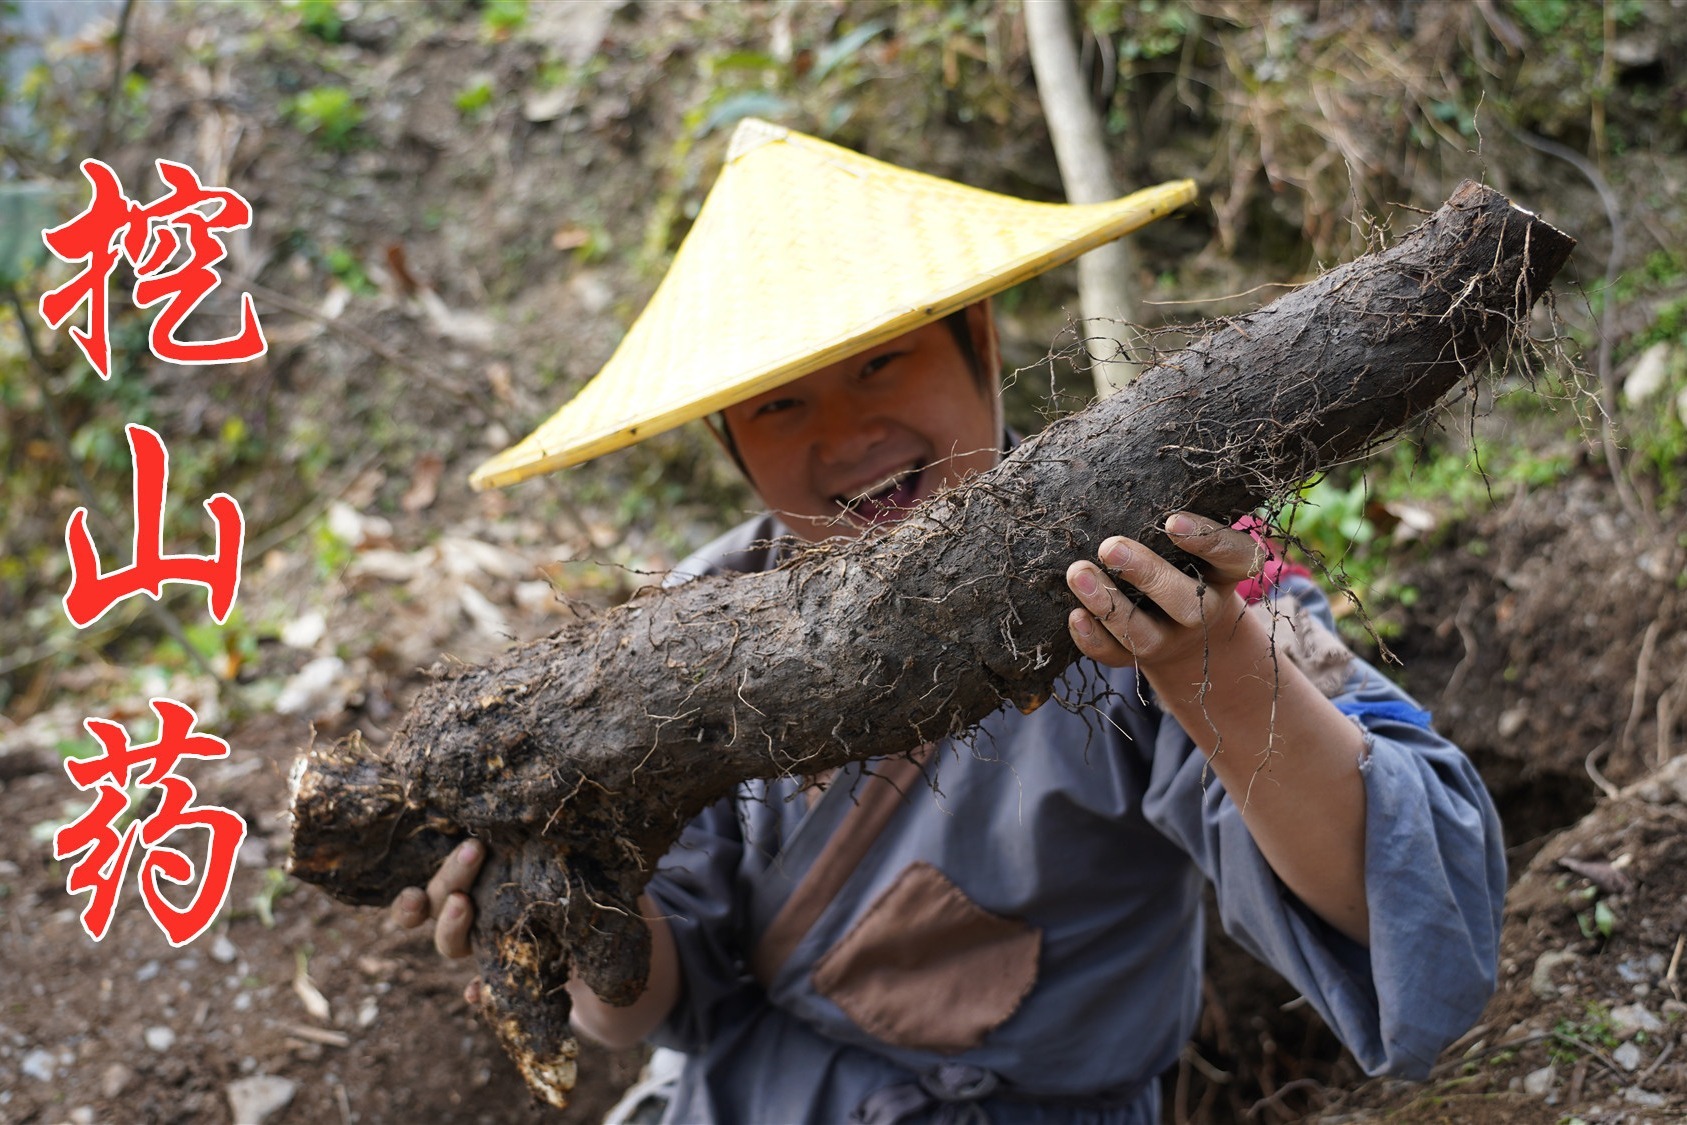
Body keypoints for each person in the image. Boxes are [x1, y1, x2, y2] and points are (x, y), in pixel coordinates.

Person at [392, 120, 1506, 1123]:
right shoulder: (690, 623)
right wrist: (570, 914)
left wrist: (1212, 658)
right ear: (728, 438)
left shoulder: (1161, 569)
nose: (848, 434)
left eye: (882, 360)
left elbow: (1418, 913)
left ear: (976, 335)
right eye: (780, 403)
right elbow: (648, 1007)